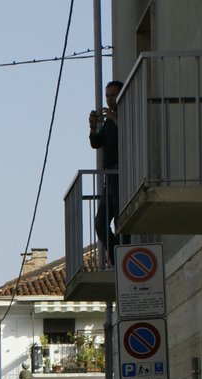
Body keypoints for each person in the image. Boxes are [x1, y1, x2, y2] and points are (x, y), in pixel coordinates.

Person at [89, 78, 122, 261]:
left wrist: (114, 118)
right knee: (100, 223)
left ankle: (122, 253)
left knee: (120, 218)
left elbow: (127, 133)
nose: (109, 99)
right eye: (107, 96)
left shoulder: (125, 114)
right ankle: (116, 251)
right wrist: (93, 126)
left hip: (122, 174)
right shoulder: (109, 121)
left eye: (113, 95)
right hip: (110, 176)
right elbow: (96, 143)